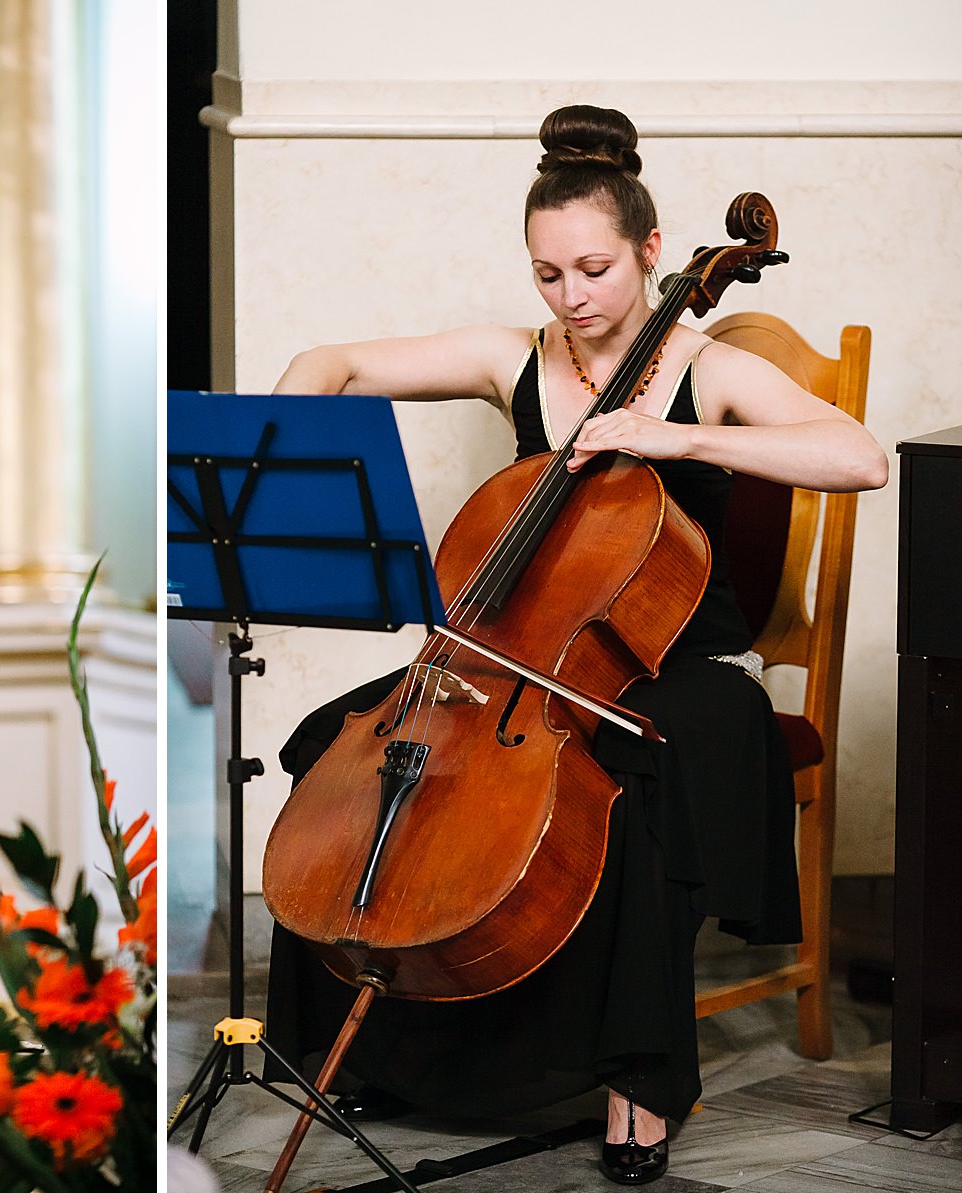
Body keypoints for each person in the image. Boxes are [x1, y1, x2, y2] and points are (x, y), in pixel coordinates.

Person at [263, 105, 886, 1186]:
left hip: (682, 667)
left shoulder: (705, 365)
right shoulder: (516, 358)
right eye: (547, 274)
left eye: (593, 267)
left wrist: (672, 435)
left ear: (650, 251)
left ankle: (636, 1084)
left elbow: (859, 456)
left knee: (628, 778)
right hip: (518, 662)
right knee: (338, 740)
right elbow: (332, 362)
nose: (573, 296)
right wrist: (285, 434)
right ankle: (376, 1042)